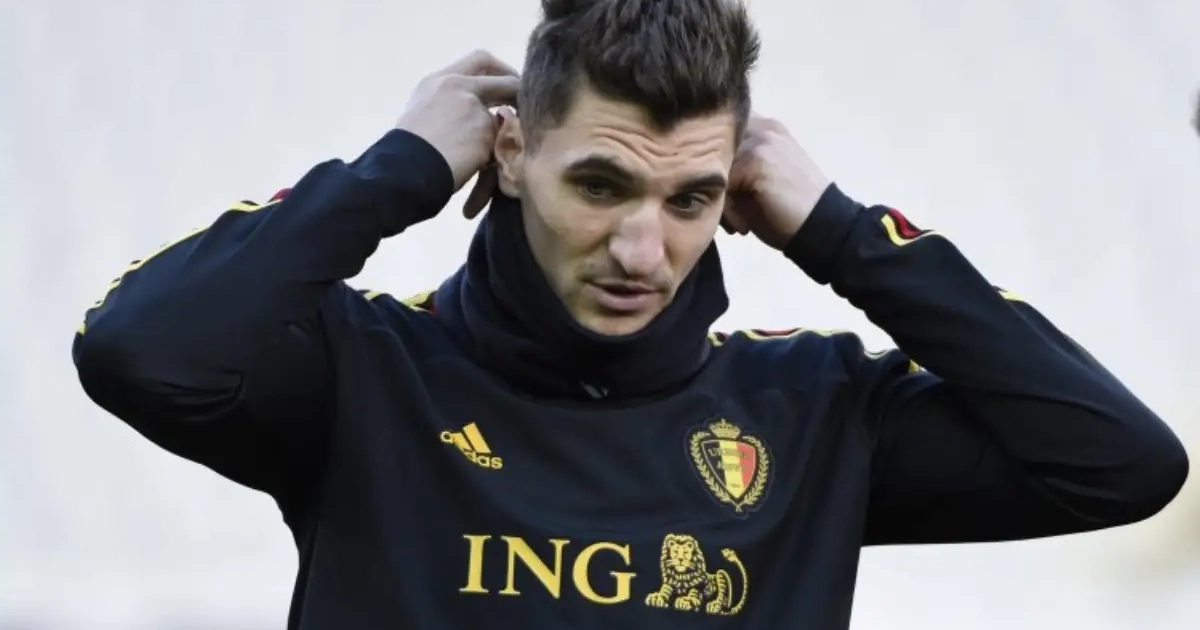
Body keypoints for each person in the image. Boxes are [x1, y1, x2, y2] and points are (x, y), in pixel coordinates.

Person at [72, 0, 1188, 628]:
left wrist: (844, 231)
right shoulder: (367, 373)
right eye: (600, 185)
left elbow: (1121, 464)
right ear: (513, 153)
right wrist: (394, 170)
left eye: (690, 198)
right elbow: (138, 348)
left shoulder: (808, 411)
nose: (642, 252)